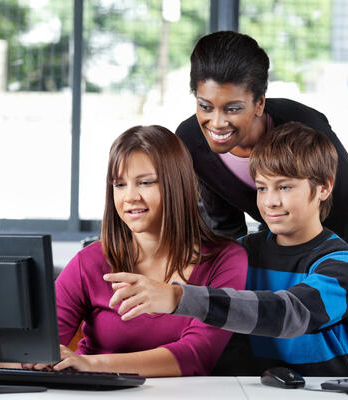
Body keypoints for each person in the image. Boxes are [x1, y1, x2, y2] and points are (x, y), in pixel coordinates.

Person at [174, 30, 348, 376]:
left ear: (259, 103)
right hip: (278, 230)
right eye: (205, 106)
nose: (216, 122)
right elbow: (225, 225)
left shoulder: (303, 125)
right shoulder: (190, 141)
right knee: (275, 344)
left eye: (233, 108)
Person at [105, 122, 348, 377]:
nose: (270, 202)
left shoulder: (345, 265)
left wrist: (176, 297)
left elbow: (290, 314)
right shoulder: (239, 254)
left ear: (324, 187)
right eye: (262, 188)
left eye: (285, 187)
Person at [49, 125, 247, 377]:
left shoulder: (226, 260)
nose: (129, 197)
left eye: (144, 182)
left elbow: (198, 355)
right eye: (119, 185)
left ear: (177, 185)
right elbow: (43, 346)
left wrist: (93, 365)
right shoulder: (88, 262)